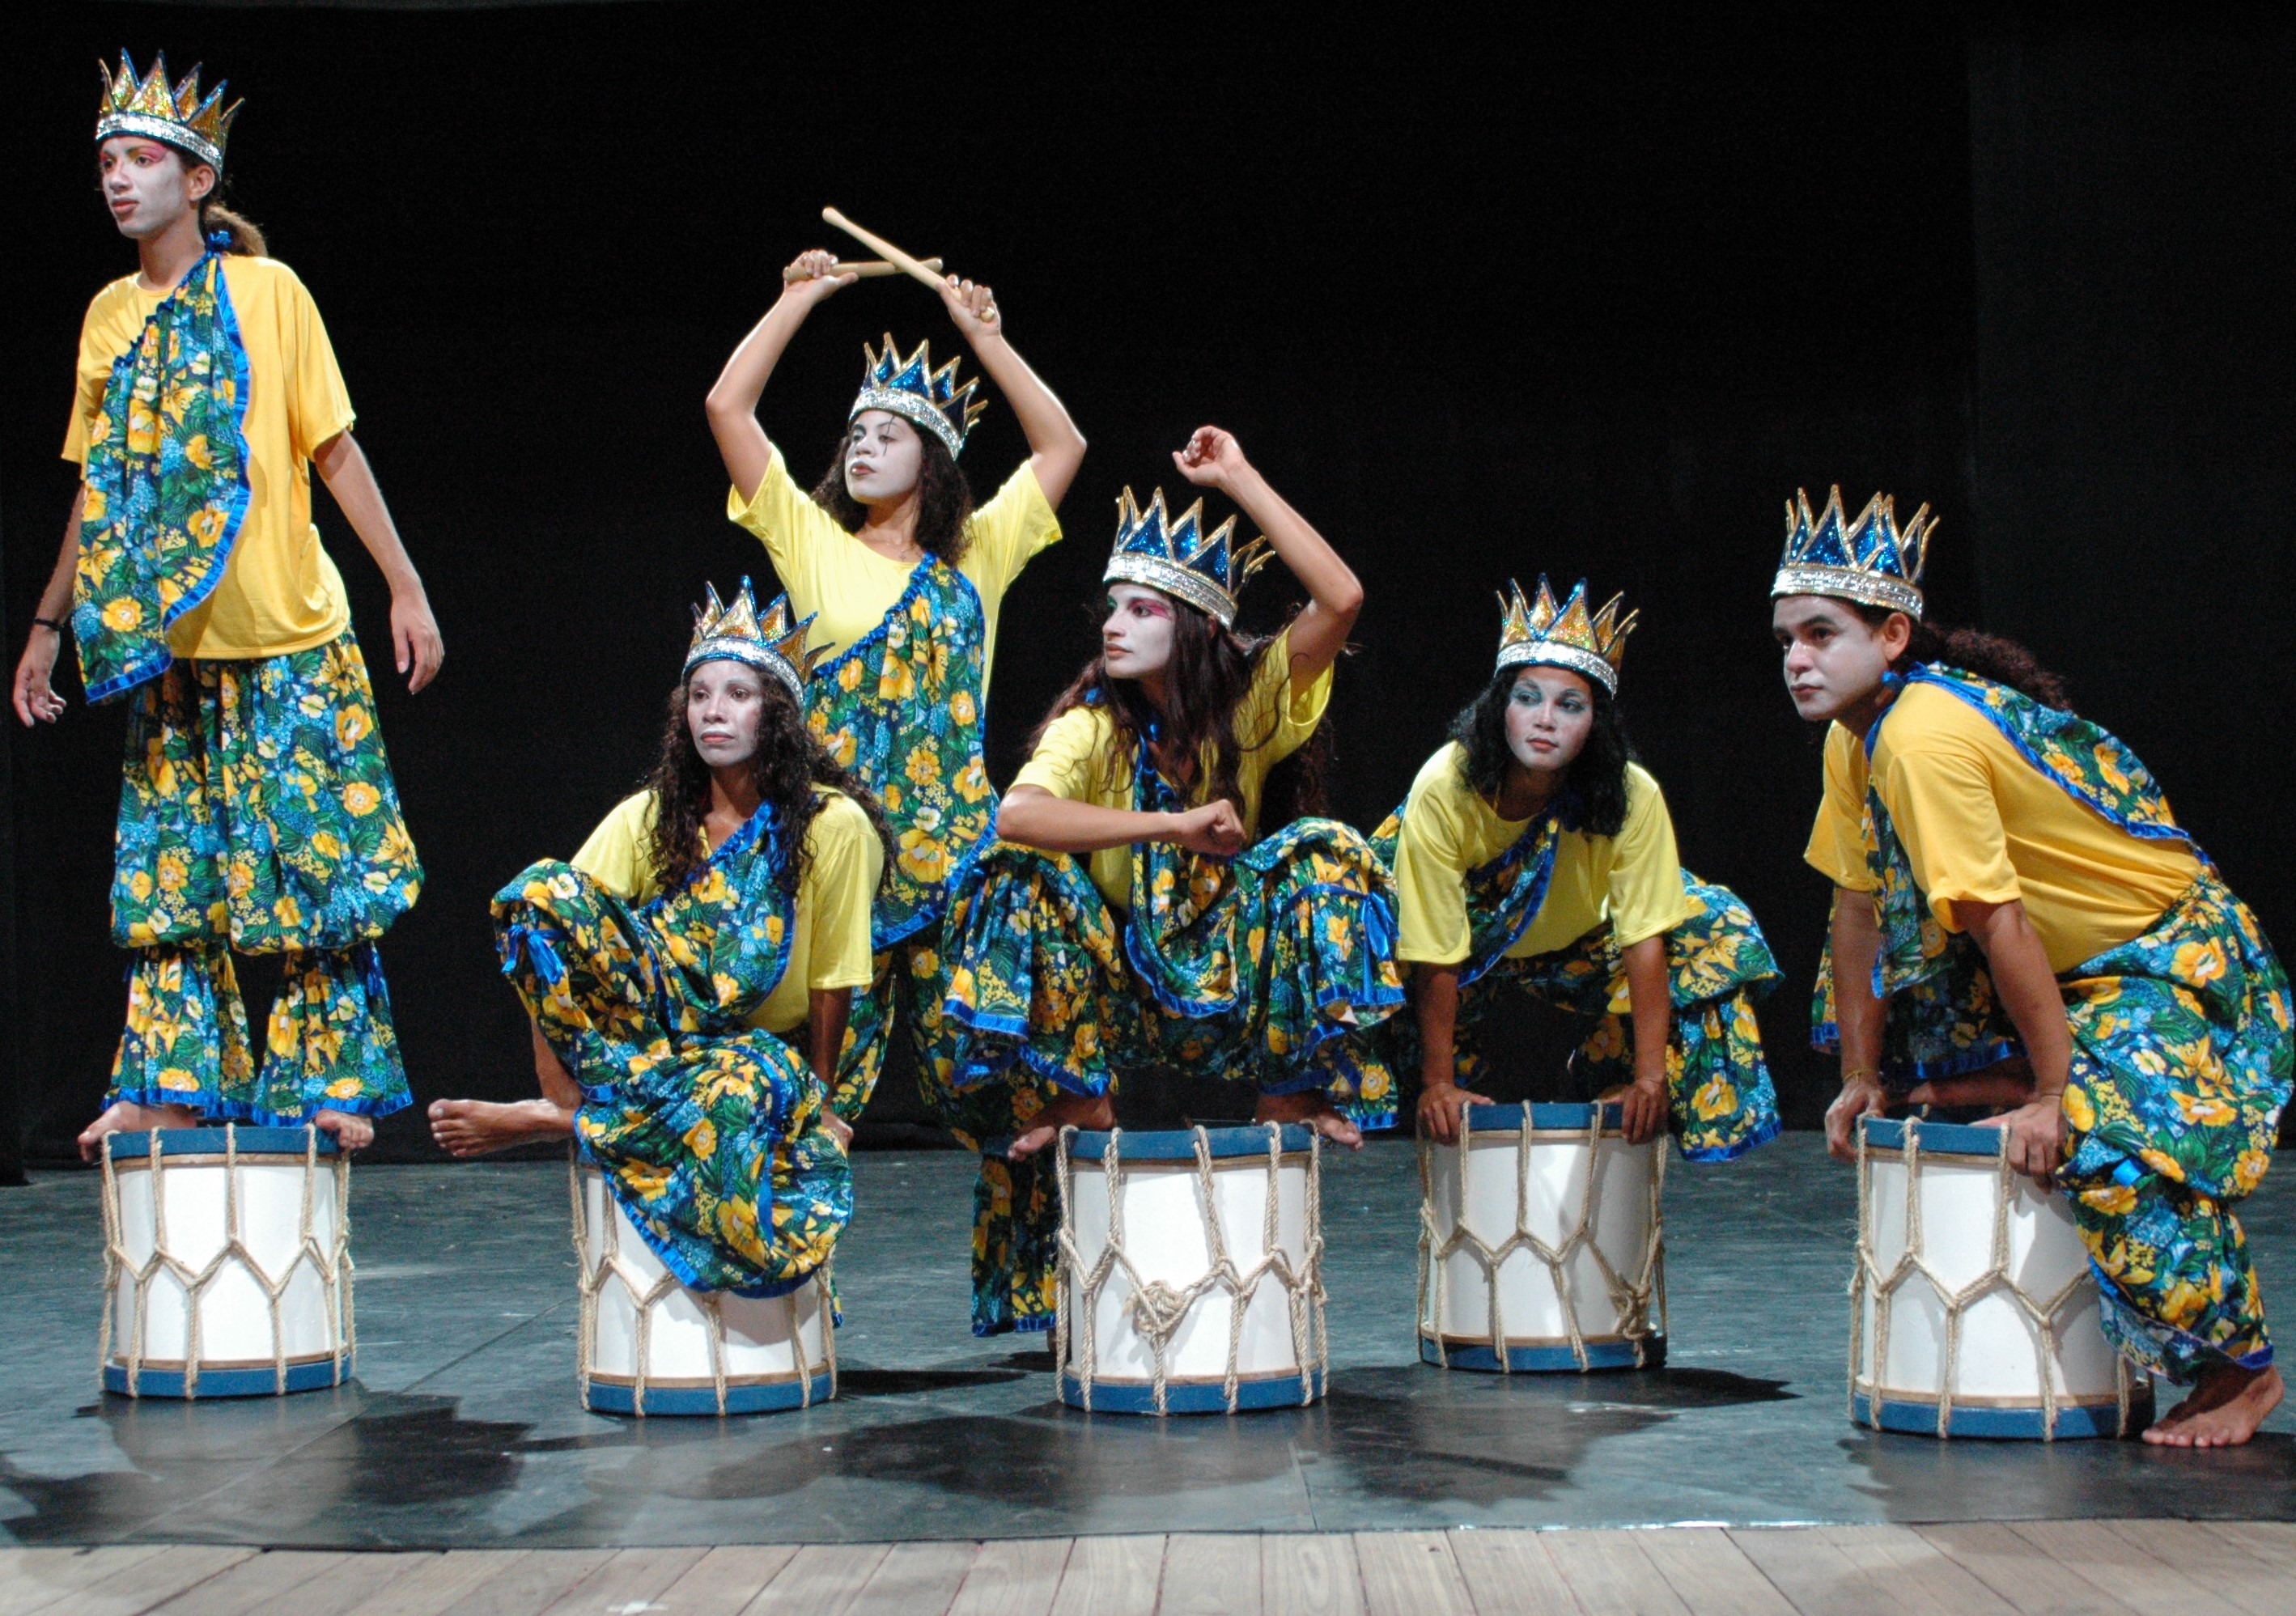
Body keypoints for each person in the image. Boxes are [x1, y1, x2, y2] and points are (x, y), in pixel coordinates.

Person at [1774, 485, 2290, 1447]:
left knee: (2103, 1134)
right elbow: (1852, 914)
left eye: (1819, 633)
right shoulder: (1854, 739)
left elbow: (1996, 919)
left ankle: (2239, 1367)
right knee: (1885, 951)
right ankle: (2014, 1067)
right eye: (1786, 641)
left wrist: (2056, 1092)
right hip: (2063, 963)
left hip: (2167, 955)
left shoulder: (1922, 736)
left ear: (1892, 636)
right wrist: (1857, 1072)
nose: (1797, 660)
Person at [17, 55, 442, 1159]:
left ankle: (329, 1082)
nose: (120, 181)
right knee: (174, 881)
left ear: (198, 180)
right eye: (107, 162)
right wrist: (47, 627)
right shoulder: (109, 316)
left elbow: (333, 447)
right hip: (167, 652)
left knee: (314, 870)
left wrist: (403, 583)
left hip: (290, 632)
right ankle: (173, 1087)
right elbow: (97, 491)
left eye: (143, 161)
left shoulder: (269, 290)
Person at [936, 426, 1405, 1334]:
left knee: (1325, 852)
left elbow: (1340, 595)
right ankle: (1079, 1098)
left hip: (1234, 981)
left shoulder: (1251, 706)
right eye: (1110, 606)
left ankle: (1291, 1090)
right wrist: (1173, 822)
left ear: (1191, 626)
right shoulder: (1092, 725)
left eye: (1141, 609)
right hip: (1115, 989)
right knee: (1011, 876)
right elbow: (1017, 816)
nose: (1113, 623)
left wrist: (1238, 474)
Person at [703, 248, 1086, 1141]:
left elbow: (1062, 444)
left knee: (1002, 1105)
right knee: (808, 1114)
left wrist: (984, 337)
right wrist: (792, 298)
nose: (864, 447)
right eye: (856, 435)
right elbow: (728, 407)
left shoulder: (975, 556)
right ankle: (775, 1280)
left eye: (889, 434)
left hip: (957, 860)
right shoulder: (809, 539)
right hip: (846, 858)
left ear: (936, 458)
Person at [429, 583, 883, 1296]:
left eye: (738, 693)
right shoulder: (654, 815)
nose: (714, 709)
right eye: (700, 694)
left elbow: (837, 972)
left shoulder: (834, 824)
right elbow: (545, 937)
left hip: (765, 1047)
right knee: (538, 892)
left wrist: (821, 1104)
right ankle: (565, 1112)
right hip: (657, 1033)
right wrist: (561, 1086)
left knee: (733, 1098)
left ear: (778, 716)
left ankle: (560, 1127)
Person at [1377, 578, 1781, 1156]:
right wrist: (1438, 1083)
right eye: (1527, 697)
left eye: (1569, 705)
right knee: (1359, 917)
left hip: (1574, 944)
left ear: (1596, 722)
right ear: (1499, 707)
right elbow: (1435, 942)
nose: (1545, 719)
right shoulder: (1445, 784)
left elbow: (1644, 937)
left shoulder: (1632, 794)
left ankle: (1618, 1081)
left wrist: (1650, 1079)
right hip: (1451, 951)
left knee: (1714, 921)